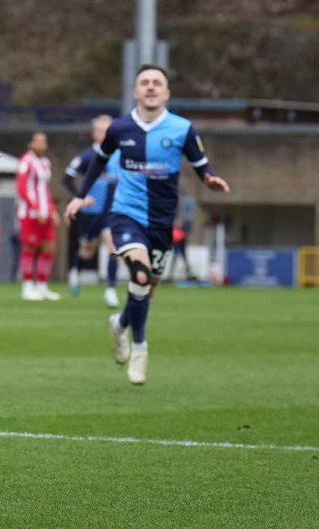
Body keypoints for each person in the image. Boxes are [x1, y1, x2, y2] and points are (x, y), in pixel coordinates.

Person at [64, 64, 229, 385]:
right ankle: (140, 348)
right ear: (136, 92)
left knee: (146, 289)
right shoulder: (119, 129)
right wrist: (79, 197)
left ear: (166, 93)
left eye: (157, 83)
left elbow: (202, 166)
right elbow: (98, 160)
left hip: (162, 220)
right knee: (138, 275)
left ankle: (119, 324)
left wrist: (210, 180)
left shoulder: (182, 129)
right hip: (126, 213)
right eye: (145, 82)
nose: (151, 87)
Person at [63, 115, 121, 307]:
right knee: (86, 252)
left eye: (108, 131)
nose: (104, 135)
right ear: (93, 133)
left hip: (112, 211)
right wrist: (81, 197)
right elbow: (67, 178)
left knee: (114, 247)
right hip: (91, 212)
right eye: (100, 131)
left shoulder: (119, 155)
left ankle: (111, 290)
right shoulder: (86, 157)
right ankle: (75, 272)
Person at [15, 132, 61, 301]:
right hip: (30, 214)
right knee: (30, 248)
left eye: (44, 142)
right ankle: (27, 287)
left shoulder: (45, 163)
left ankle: (42, 287)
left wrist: (52, 209)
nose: (42, 145)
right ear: (30, 144)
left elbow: (45, 190)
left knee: (49, 248)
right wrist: (35, 208)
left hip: (45, 213)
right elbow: (22, 188)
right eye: (38, 142)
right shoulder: (26, 162)